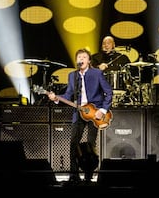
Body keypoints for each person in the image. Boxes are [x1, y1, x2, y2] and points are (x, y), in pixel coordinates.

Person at [48, 49, 113, 183]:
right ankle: (74, 175)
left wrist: (103, 110)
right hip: (78, 112)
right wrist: (56, 98)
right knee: (73, 144)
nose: (81, 59)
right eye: (79, 57)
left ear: (89, 60)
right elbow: (68, 95)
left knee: (90, 143)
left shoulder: (97, 73)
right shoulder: (73, 75)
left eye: (84, 57)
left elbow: (109, 92)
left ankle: (89, 175)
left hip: (95, 113)